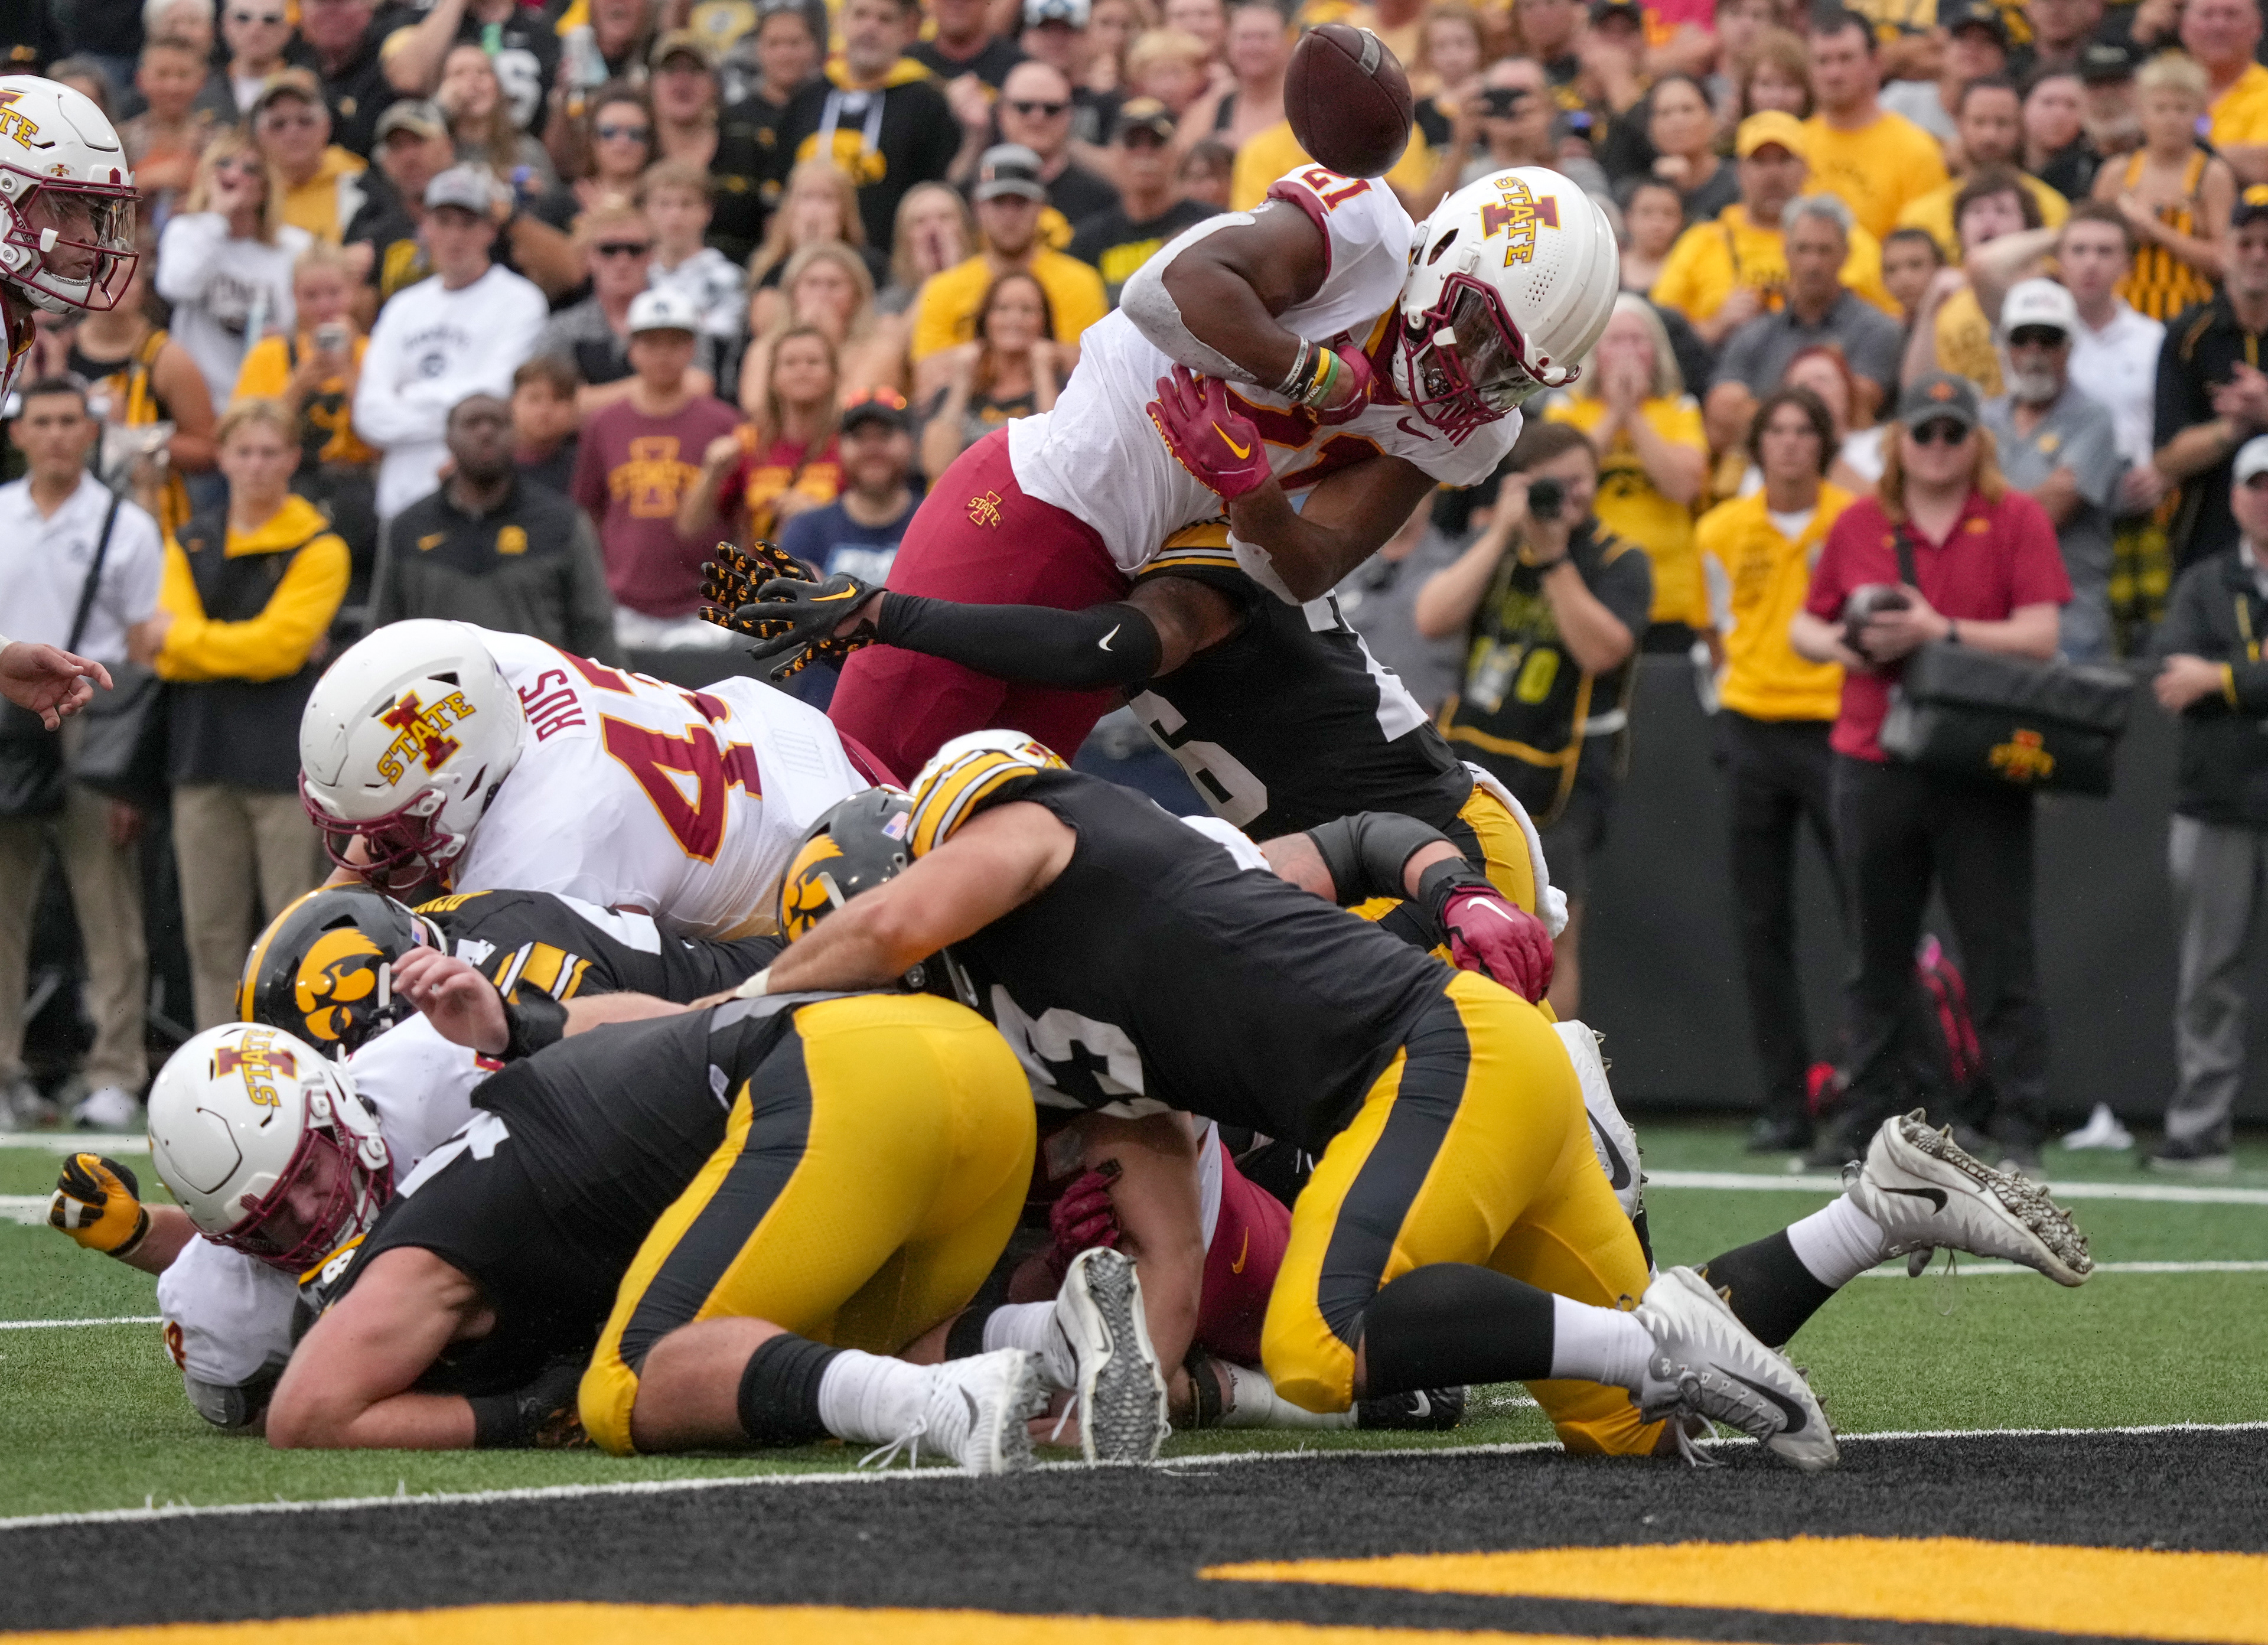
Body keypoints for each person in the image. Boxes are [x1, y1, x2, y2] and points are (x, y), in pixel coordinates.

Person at [757, 737, 1836, 1466]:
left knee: (1321, 1347)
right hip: (1466, 1079)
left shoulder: (1046, 831)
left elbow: (891, 932)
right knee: (1630, 1435)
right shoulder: (1048, 1007)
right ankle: (1865, 1217)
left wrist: (741, 1002)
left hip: (1433, 1059)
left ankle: (1657, 1338)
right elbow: (1158, 1242)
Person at [827, 163, 1619, 784]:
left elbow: (1308, 568)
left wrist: (1253, 492)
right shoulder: (1364, 239)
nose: (1477, 381)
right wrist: (1312, 376)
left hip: (1130, 590)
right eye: (1484, 335)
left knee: (976, 833)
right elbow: (1163, 295)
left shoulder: (1476, 430)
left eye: (1511, 375)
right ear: (1448, 253)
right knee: (863, 796)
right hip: (1037, 501)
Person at [1792, 372, 2071, 1172]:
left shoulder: (2015, 517)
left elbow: (2043, 635)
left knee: (1998, 947)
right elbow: (1806, 625)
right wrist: (1852, 645)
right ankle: (1869, 1121)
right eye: (1925, 432)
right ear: (1899, 441)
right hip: (1873, 754)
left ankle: (2019, 1121)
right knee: (1875, 950)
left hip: (1977, 760)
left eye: (1954, 432)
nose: (1939, 447)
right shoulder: (1858, 522)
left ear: (1976, 440)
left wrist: (1934, 630)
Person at [298, 617, 869, 931]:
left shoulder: (533, 858)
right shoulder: (474, 661)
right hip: (770, 730)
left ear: (456, 793)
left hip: (812, 862)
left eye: (391, 828)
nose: (371, 846)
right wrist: (324, 913)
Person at [1415, 422, 1644, 1020]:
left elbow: (1602, 650)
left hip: (1564, 773)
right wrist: (1499, 534)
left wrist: (1552, 558)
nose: (1568, 498)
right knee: (1452, 920)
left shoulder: (1619, 559)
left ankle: (1566, 1084)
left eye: (1580, 482)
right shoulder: (1500, 544)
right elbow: (1432, 618)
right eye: (1553, 485)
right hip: (1478, 758)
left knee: (1553, 934)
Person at [149, 398, 349, 1031]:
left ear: (292, 458)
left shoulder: (320, 543)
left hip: (286, 762)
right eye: (245, 451)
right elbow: (164, 656)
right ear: (224, 457)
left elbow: (280, 647)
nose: (257, 465)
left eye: (271, 452)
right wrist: (236, 649)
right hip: (201, 756)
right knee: (209, 932)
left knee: (293, 927)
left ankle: (293, 1058)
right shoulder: (191, 536)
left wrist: (193, 643)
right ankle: (214, 1061)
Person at [0, 379, 167, 1131]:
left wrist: (132, 768)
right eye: (45, 421)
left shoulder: (127, 524)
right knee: (2, 908)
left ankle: (115, 1073)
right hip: (6, 712)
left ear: (90, 432)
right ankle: (5, 1070)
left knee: (109, 904)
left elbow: (140, 649)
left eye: (72, 421)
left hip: (96, 720)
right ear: (20, 433)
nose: (60, 434)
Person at [1696, 387, 1855, 1154]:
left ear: (1824, 444)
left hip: (1832, 724)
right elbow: (1716, 630)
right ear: (1758, 446)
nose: (1790, 445)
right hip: (1754, 723)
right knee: (1762, 924)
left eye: (1804, 431)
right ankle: (1783, 1102)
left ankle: (1871, 1090)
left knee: (1866, 917)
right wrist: (1730, 708)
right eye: (1778, 431)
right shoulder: (1720, 528)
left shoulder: (1850, 521)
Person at [2146, 432, 2268, 1177]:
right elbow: (2170, 678)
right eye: (2257, 484)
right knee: (2208, 976)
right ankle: (2199, 1128)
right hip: (2218, 800)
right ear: (2234, 497)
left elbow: (2201, 679)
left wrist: (2223, 679)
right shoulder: (2204, 581)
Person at [353, 165, 549, 525]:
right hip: (399, 501)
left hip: (477, 496)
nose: (455, 236)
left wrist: (411, 397)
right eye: (443, 221)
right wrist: (455, 405)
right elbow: (369, 414)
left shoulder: (521, 301)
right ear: (425, 228)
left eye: (467, 223)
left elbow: (494, 396)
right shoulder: (402, 307)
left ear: (490, 231)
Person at [373, 393, 618, 660]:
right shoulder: (408, 528)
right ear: (448, 439)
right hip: (438, 698)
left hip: (534, 699)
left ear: (515, 435)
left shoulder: (562, 523)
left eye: (498, 422)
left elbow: (595, 631)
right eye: (472, 423)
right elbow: (382, 632)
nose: (486, 432)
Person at [569, 289, 745, 650]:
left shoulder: (724, 422)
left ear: (692, 349)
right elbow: (588, 509)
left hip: (708, 606)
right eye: (651, 343)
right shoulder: (604, 423)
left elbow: (742, 513)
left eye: (675, 343)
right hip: (624, 604)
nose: (663, 354)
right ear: (631, 349)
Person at [1650, 113, 1896, 353]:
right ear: (1739, 171)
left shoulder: (1848, 240)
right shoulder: (1701, 242)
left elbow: (1891, 326)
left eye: (1784, 160)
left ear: (1806, 169)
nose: (1773, 173)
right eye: (1760, 161)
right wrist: (1715, 325)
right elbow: (1656, 334)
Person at [1546, 295, 1709, 648]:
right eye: (1616, 341)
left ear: (1657, 351)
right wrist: (1614, 414)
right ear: (1594, 351)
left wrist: (1633, 416)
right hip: (1588, 586)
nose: (1628, 352)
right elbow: (1556, 482)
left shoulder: (1680, 409)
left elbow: (1683, 488)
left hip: (1668, 594)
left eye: (1638, 340)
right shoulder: (1566, 410)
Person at [1980, 279, 2122, 663]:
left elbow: (2053, 509)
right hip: (1990, 611)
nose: (2034, 351)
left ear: (2070, 345)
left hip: (2070, 616)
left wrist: (1982, 512)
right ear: (2004, 344)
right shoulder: (1983, 418)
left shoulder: (2094, 418)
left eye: (2049, 338)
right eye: (2022, 338)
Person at [231, 243, 379, 607]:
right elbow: (244, 433)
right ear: (294, 297)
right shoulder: (269, 355)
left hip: (356, 486)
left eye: (334, 293)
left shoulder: (371, 352)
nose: (324, 306)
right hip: (290, 488)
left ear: (353, 294)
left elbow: (380, 432)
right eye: (311, 296)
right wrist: (299, 383)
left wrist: (347, 371)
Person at [1707, 194, 1904, 464]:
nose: (1813, 263)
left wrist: (1760, 411)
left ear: (1845, 254)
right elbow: (1722, 409)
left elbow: (1857, 404)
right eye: (1803, 249)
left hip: (1849, 468)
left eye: (1824, 251)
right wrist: (1820, 396)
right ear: (1786, 252)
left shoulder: (1877, 329)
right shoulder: (1755, 333)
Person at [2061, 204, 2172, 653]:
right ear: (2060, 259)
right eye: (2078, 250)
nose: (2091, 262)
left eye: (2105, 251)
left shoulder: (2156, 340)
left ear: (2127, 264)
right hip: (2063, 515)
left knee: (2143, 649)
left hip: (2140, 512)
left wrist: (2166, 473)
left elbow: (2173, 426)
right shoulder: (2038, 337)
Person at [773, 0, 962, 255]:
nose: (870, 27)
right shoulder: (807, 98)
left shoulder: (927, 103)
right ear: (841, 22)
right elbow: (781, 191)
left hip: (891, 262)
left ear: (905, 31)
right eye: (861, 15)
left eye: (885, 19)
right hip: (809, 262)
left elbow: (940, 186)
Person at [154, 131, 312, 415]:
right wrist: (217, 218)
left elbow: (306, 319)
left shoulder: (295, 247)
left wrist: (285, 336)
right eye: (225, 164)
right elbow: (177, 288)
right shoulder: (187, 231)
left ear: (266, 187)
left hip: (269, 397)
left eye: (251, 169)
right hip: (200, 401)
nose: (236, 175)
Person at [2153, 187, 2268, 576]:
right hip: (2207, 538)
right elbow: (2167, 456)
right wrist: (2233, 428)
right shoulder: (2190, 333)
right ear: (2224, 249)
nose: (2258, 255)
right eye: (2246, 243)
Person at [911, 145, 1109, 364]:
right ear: (978, 208)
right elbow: (927, 382)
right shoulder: (943, 289)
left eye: (1020, 202)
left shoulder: (1080, 282)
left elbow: (1091, 371)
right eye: (999, 202)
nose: (1009, 215)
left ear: (1041, 207)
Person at [67, 254, 216, 539]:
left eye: (130, 276)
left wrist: (132, 435)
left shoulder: (169, 359)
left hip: (147, 515)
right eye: (107, 274)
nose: (119, 284)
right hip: (69, 509)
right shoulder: (57, 349)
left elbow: (209, 451)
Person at [2092, 53, 2234, 325]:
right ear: (2142, 113)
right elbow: (2092, 242)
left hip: (2190, 317)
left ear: (2200, 114)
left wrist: (2156, 229)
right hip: (2123, 314)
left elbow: (2224, 261)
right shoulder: (2118, 173)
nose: (2171, 119)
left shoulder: (2211, 175)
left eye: (2182, 109)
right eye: (2160, 108)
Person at [681, 322, 841, 556]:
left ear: (834, 375)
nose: (802, 370)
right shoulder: (748, 444)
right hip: (765, 584)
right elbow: (690, 527)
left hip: (833, 581)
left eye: (813, 362)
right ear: (773, 378)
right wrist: (712, 472)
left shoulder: (850, 442)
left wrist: (817, 515)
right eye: (790, 363)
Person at [1800, 9, 1949, 244]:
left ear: (1875, 63)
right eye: (1822, 61)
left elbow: (1924, 250)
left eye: (1846, 58)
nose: (1833, 73)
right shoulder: (1793, 146)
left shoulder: (1917, 151)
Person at [1895, 77, 2071, 262]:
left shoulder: (2051, 208)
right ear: (1959, 124)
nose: (1990, 136)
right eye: (1979, 122)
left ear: (2021, 127)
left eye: (2002, 123)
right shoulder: (1920, 216)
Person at [708, 1, 825, 265]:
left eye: (795, 44)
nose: (785, 54)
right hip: (735, 255)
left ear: (815, 49)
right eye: (774, 44)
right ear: (758, 50)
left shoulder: (829, 112)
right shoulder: (732, 117)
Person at [917, 270, 1064, 479]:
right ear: (985, 321)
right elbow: (936, 466)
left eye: (1027, 310)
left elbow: (1058, 458)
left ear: (1044, 322)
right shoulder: (956, 389)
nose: (1015, 318)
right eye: (1002, 309)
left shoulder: (1065, 388)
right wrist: (962, 383)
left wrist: (1043, 372)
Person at [1067, 99, 1212, 307]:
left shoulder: (1208, 227)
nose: (1144, 153)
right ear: (1114, 153)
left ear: (1178, 151)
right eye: (1132, 142)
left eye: (1157, 142)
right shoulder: (1086, 242)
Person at [379, 0, 561, 138]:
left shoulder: (542, 33)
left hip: (517, 157)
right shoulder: (422, 19)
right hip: (442, 153)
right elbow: (407, 79)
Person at [745, 159, 882, 339]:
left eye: (827, 198)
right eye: (806, 197)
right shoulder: (769, 267)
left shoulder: (869, 264)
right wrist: (804, 254)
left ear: (844, 209)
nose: (815, 209)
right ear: (790, 207)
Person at [994, 60, 1121, 232]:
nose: (1037, 118)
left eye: (1051, 109)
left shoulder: (1102, 199)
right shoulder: (977, 187)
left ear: (1070, 116)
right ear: (1002, 113)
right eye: (1024, 107)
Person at [250, 69, 369, 247]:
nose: (292, 133)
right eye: (278, 125)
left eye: (305, 121)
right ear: (259, 136)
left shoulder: (360, 183)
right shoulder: (249, 191)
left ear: (327, 127)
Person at [641, 162, 748, 354]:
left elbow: (723, 337)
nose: (675, 214)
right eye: (664, 204)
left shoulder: (728, 278)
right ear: (646, 211)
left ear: (707, 212)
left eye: (687, 204)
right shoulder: (633, 272)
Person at [118, 34, 218, 221]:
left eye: (183, 75)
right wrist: (147, 179)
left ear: (202, 80)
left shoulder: (219, 142)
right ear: (141, 80)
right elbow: (104, 208)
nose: (173, 86)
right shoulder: (121, 140)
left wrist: (202, 202)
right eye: (162, 74)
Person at [434, 42, 555, 191]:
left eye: (482, 72)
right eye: (459, 73)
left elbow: (550, 208)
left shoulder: (527, 150)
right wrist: (440, 109)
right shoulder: (431, 150)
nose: (473, 81)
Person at [299, 0, 400, 161]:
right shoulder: (298, 72)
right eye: (320, 3)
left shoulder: (391, 50)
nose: (329, 12)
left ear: (367, 8)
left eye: (340, 2)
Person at [2182, 0, 2268, 185]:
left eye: (2232, 14)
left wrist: (2174, 158)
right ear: (2184, 27)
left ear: (2258, 27)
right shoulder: (2159, 85)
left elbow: (2264, 166)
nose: (2219, 26)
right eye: (2207, 14)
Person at [1645, 74, 1738, 224]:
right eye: (1665, 113)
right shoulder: (1639, 192)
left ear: (1712, 118)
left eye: (1687, 110)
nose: (1677, 121)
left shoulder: (1737, 184)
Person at [510, 355, 583, 495]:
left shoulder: (587, 465)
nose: (545, 410)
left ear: (575, 407)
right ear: (513, 403)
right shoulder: (488, 463)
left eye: (559, 398)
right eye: (534, 398)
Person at [1617, 177, 1684, 295]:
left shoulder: (1690, 270)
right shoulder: (1611, 267)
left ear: (1682, 221)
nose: (1658, 224)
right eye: (1647, 212)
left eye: (1669, 214)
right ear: (1628, 218)